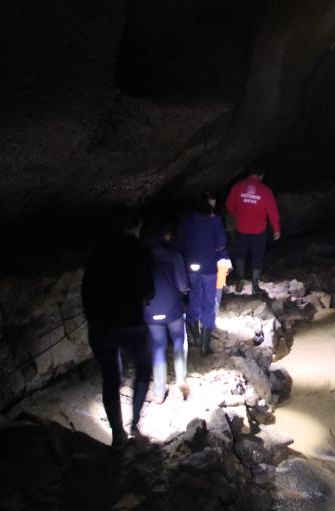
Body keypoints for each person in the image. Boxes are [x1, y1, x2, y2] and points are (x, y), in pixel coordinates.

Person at [81, 209, 154, 448]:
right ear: (135, 227)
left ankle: (117, 435)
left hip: (100, 326)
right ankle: (134, 426)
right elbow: (148, 290)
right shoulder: (138, 250)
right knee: (143, 369)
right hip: (130, 324)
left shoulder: (97, 250)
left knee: (110, 378)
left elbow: (86, 288)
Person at [143, 218, 190, 403]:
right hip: (172, 307)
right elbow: (182, 285)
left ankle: (159, 391)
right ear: (165, 235)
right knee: (179, 341)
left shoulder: (139, 256)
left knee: (157, 347)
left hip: (150, 308)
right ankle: (181, 380)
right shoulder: (173, 256)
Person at [174, 192, 227, 355]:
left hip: (191, 267)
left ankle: (196, 338)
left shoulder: (186, 221)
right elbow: (222, 243)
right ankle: (204, 345)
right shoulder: (215, 221)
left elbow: (178, 243)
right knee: (209, 304)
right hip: (210, 267)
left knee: (193, 299)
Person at [225, 163, 281, 296]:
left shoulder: (238, 187)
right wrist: (276, 228)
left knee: (240, 254)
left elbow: (229, 204)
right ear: (261, 176)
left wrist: (238, 214)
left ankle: (240, 281)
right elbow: (273, 212)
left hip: (241, 228)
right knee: (257, 257)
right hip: (258, 230)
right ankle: (255, 286)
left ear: (249, 174)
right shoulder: (266, 191)